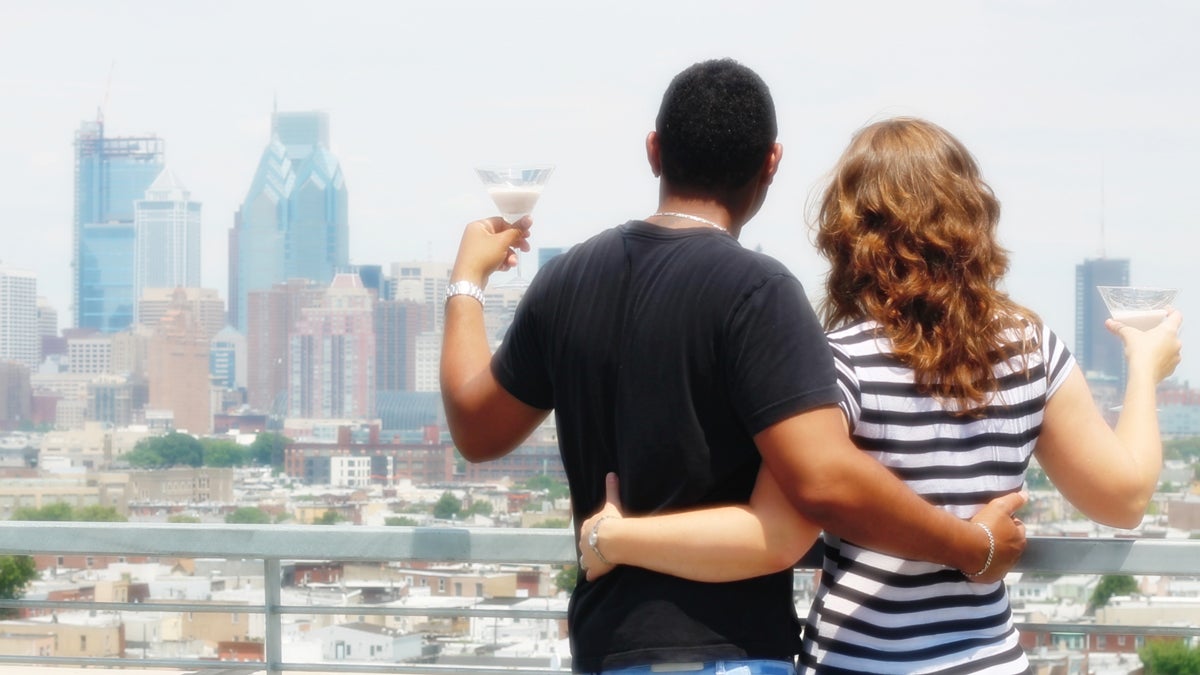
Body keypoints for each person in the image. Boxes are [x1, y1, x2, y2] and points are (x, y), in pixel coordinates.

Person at [441, 62, 1025, 675]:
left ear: (654, 151)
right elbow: (823, 478)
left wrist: (467, 279)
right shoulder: (758, 289)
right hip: (730, 653)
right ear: (771, 163)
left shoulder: (566, 279)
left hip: (606, 649)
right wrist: (971, 546)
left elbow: (477, 432)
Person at [577, 117, 1183, 674]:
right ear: (972, 216)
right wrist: (1141, 367)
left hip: (857, 657)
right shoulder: (1030, 347)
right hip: (988, 659)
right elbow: (1124, 497)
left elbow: (775, 533)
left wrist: (615, 537)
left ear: (850, 233)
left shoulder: (835, 362)